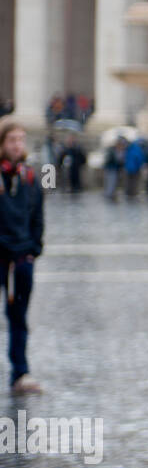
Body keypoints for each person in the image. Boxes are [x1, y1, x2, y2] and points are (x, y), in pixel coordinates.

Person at [0, 119, 43, 394]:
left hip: (22, 258)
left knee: (19, 317)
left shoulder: (29, 176)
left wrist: (32, 250)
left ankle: (20, 373)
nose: (18, 145)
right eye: (13, 140)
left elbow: (37, 216)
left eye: (21, 139)